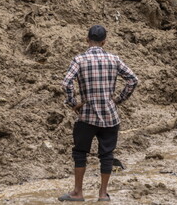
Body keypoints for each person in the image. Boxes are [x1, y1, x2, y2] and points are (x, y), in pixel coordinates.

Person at [59, 25, 139, 202]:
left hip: (87, 115)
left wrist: (73, 103)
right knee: (107, 155)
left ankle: (78, 192)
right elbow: (133, 80)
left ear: (87, 40)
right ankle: (103, 194)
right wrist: (117, 100)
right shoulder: (114, 59)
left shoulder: (79, 59)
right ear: (104, 42)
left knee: (80, 153)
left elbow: (66, 84)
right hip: (110, 116)